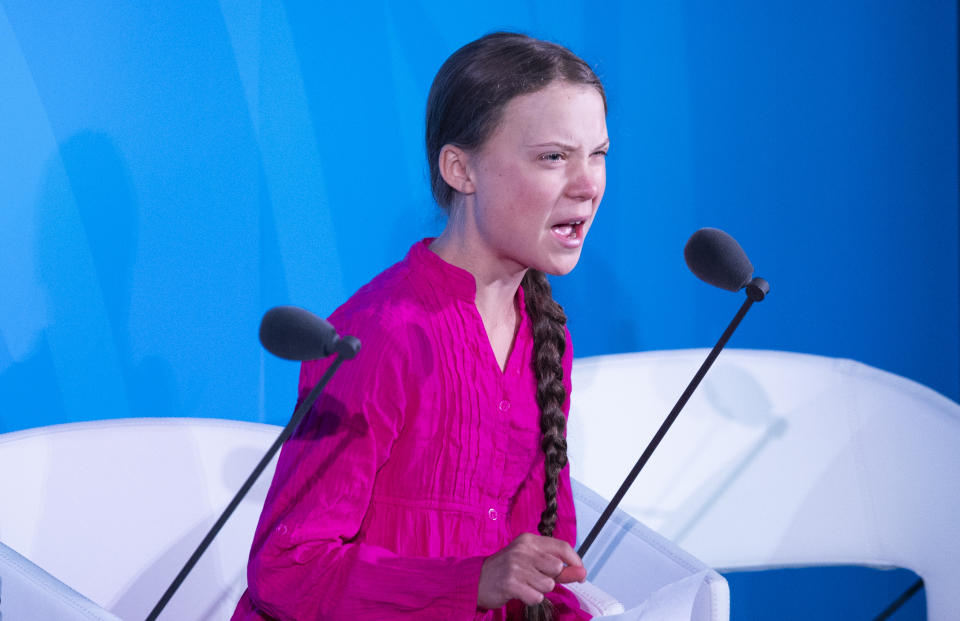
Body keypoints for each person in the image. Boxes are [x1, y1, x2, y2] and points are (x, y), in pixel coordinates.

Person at [232, 31, 608, 620]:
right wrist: (473, 582)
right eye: (554, 157)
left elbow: (537, 571)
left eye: (598, 154)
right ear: (461, 169)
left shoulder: (544, 334)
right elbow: (287, 568)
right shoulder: (381, 335)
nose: (587, 185)